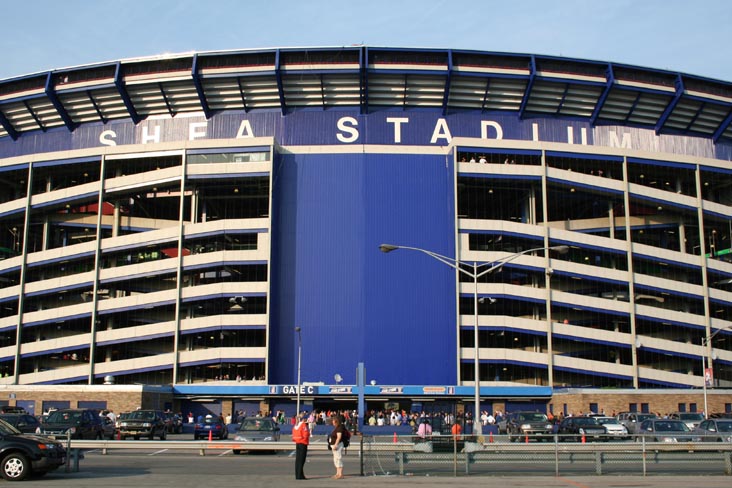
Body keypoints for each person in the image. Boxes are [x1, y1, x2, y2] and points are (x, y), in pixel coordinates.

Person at [292, 413, 310, 480]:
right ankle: (300, 475)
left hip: (297, 442)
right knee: (302, 460)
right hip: (303, 443)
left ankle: (298, 474)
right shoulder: (303, 425)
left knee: (298, 460)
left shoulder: (296, 425)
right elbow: (305, 433)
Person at [328, 415, 346, 479]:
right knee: (335, 459)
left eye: (333, 421)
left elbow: (339, 437)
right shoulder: (336, 427)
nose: (332, 422)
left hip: (338, 445)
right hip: (334, 445)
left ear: (336, 421)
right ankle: (337, 473)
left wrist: (335, 445)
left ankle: (340, 474)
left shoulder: (339, 428)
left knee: (338, 459)